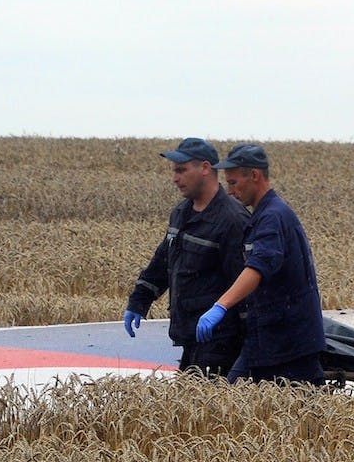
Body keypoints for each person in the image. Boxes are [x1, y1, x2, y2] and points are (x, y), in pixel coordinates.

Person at [195, 144, 327, 386]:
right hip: (269, 340)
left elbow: (259, 267)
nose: (230, 191)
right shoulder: (266, 214)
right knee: (234, 404)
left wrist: (221, 306)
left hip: (289, 345)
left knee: (304, 415)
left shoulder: (271, 218)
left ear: (254, 176)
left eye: (233, 183)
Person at [123, 137, 250, 377]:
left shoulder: (232, 220)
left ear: (205, 168)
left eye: (181, 170)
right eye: (174, 171)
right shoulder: (181, 212)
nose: (175, 178)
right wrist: (139, 301)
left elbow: (246, 284)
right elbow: (163, 261)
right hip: (189, 337)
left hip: (222, 345)